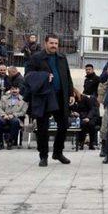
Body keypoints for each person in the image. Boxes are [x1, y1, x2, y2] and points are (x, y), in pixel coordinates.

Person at [26, 34, 74, 167]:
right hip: (44, 96)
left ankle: (58, 152)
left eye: (56, 43)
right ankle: (43, 156)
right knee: (42, 128)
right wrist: (45, 76)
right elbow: (28, 76)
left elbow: (67, 76)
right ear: (45, 43)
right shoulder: (36, 58)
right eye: (51, 43)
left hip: (60, 96)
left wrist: (70, 93)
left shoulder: (62, 57)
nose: (54, 46)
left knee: (64, 124)